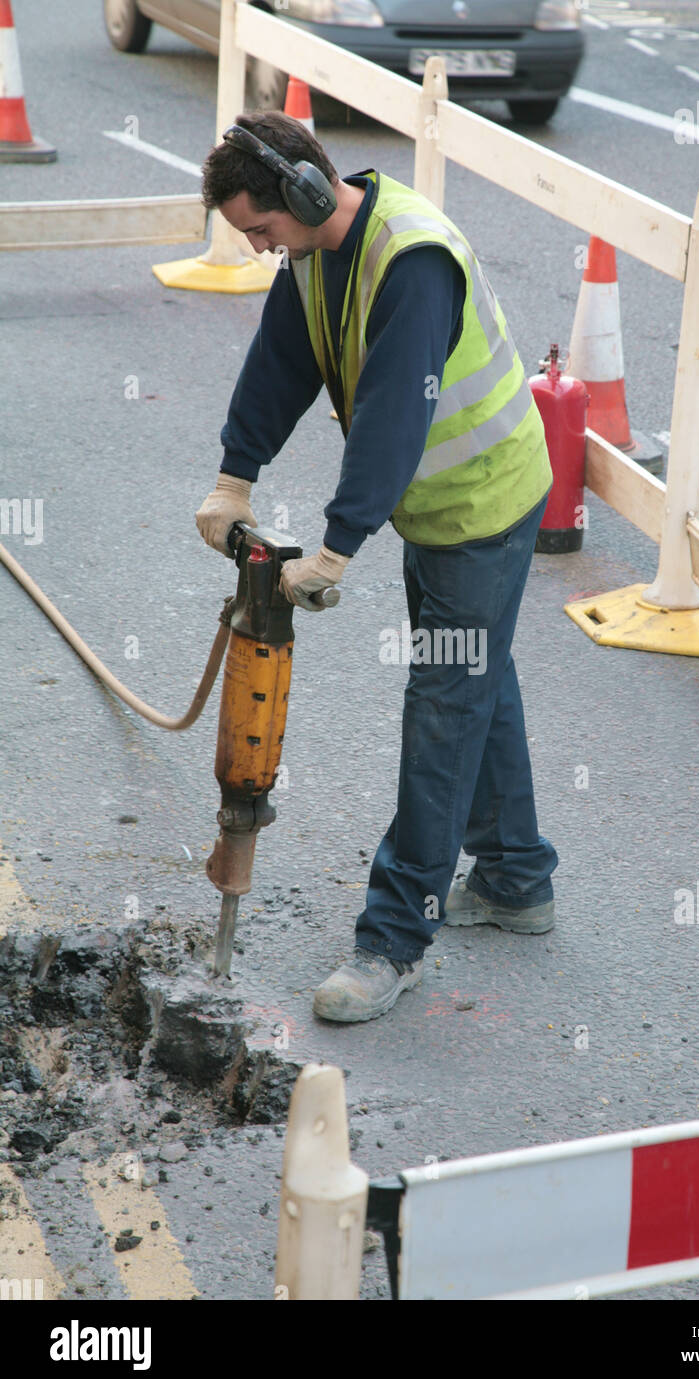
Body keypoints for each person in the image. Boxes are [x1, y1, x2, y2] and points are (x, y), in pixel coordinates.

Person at [195, 110, 558, 1024]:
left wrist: (335, 549)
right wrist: (232, 479)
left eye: (263, 231)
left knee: (443, 706)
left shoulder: (412, 263)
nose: (263, 249)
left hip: (482, 502)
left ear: (307, 194)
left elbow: (396, 416)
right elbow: (282, 362)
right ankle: (515, 880)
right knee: (477, 678)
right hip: (436, 508)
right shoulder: (314, 255)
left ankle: (394, 938)